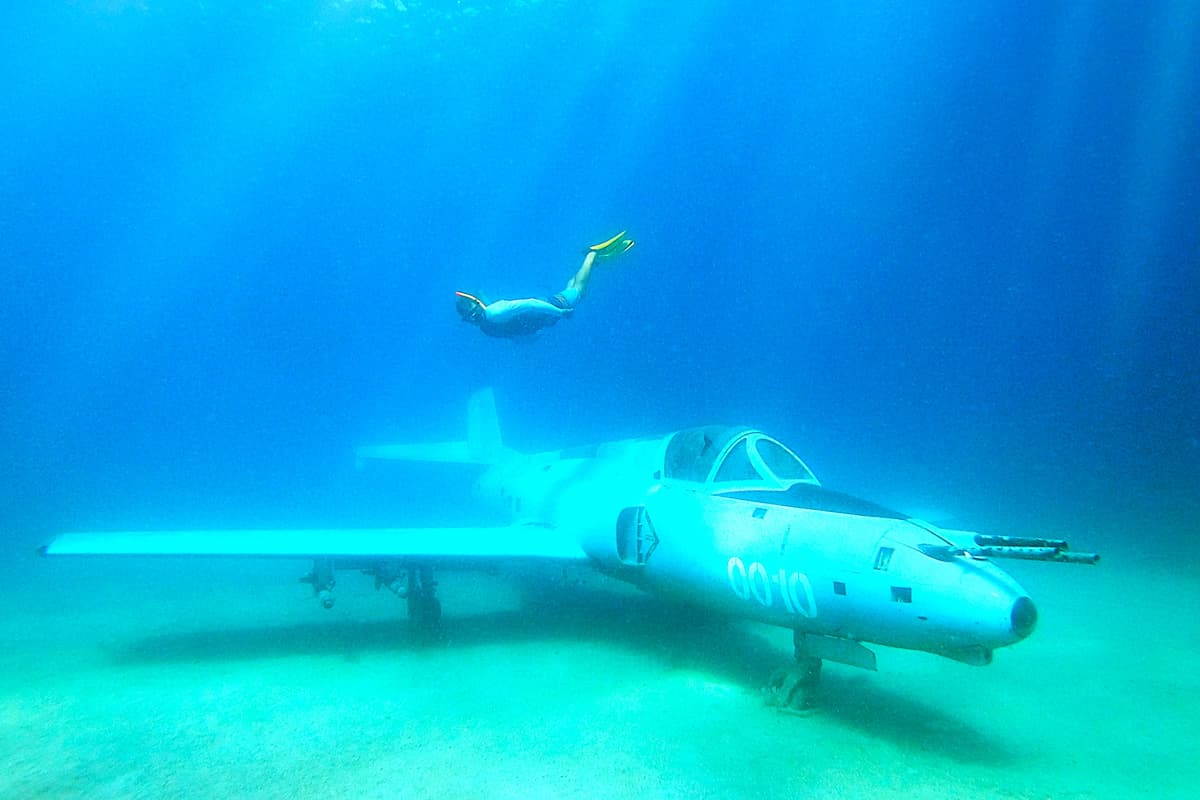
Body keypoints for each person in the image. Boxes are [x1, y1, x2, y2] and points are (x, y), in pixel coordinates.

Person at [455, 231, 634, 338]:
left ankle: (591, 254)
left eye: (473, 312)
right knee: (570, 291)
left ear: (479, 304)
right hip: (545, 317)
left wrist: (559, 312)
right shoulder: (486, 327)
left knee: (578, 292)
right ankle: (590, 265)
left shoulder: (495, 312)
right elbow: (512, 333)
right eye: (469, 317)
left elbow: (530, 302)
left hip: (548, 309)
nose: (473, 318)